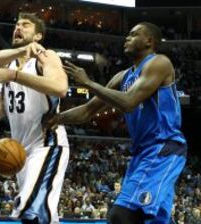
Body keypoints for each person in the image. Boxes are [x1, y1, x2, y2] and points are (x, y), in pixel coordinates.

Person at [47, 22, 187, 224]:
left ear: (149, 40)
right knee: (151, 219)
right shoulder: (122, 77)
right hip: (142, 153)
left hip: (163, 147)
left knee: (120, 216)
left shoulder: (159, 63)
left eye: (134, 34)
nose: (127, 38)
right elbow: (87, 111)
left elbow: (129, 102)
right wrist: (56, 118)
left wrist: (88, 83)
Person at [0, 12, 70, 224]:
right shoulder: (9, 63)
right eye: (16, 24)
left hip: (47, 145)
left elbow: (60, 88)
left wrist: (15, 76)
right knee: (42, 214)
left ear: (38, 36)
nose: (18, 27)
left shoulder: (46, 56)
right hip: (22, 152)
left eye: (25, 25)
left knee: (29, 210)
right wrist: (22, 52)